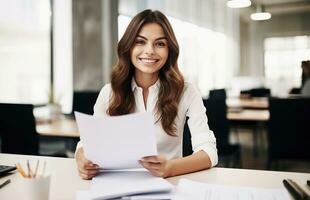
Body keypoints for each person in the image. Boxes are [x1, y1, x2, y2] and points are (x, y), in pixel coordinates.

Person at [75, 9, 218, 180]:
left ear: (169, 50)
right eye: (140, 42)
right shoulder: (109, 92)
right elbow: (89, 144)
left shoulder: (186, 92)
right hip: (118, 183)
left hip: (170, 183)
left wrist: (170, 168)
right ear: (128, 47)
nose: (150, 51)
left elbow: (209, 152)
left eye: (160, 44)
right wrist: (82, 159)